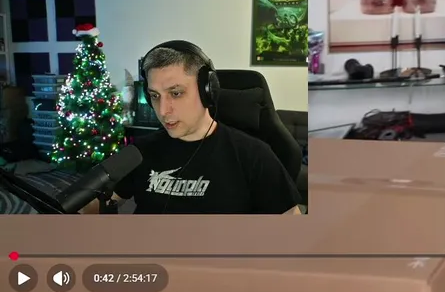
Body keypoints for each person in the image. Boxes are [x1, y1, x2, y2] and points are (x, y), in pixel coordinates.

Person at [82, 41, 302, 215]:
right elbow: (99, 203)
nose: (163, 110)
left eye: (176, 93)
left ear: (208, 91)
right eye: (155, 96)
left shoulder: (254, 156)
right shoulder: (139, 152)